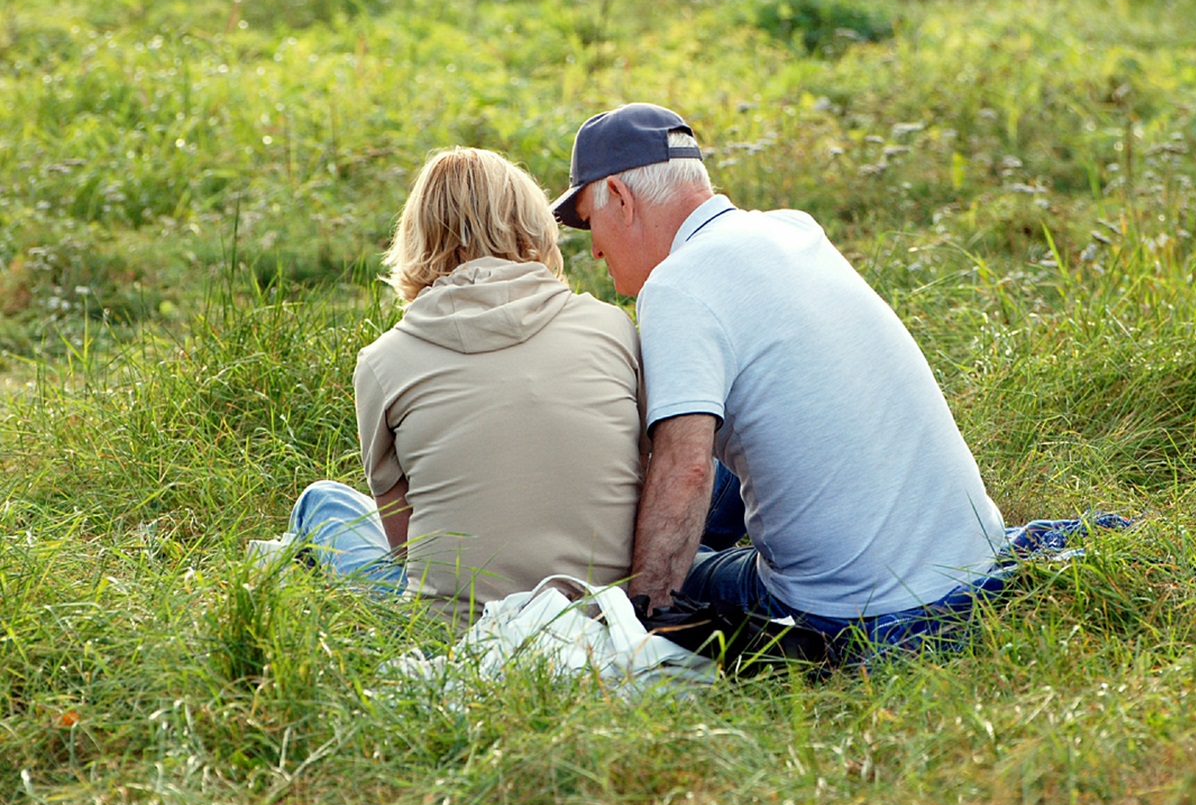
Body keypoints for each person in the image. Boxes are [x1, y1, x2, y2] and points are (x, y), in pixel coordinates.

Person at [551, 103, 1010, 665]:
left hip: (862, 617)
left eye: (588, 222)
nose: (593, 248)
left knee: (667, 575)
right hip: (977, 571)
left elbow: (687, 468)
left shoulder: (676, 285)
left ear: (620, 200)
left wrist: (636, 621)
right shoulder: (793, 228)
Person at [285, 147, 645, 629]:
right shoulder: (612, 328)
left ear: (416, 236)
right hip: (605, 617)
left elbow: (407, 549)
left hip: (457, 638)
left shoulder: (383, 363)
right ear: (535, 224)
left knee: (322, 505)